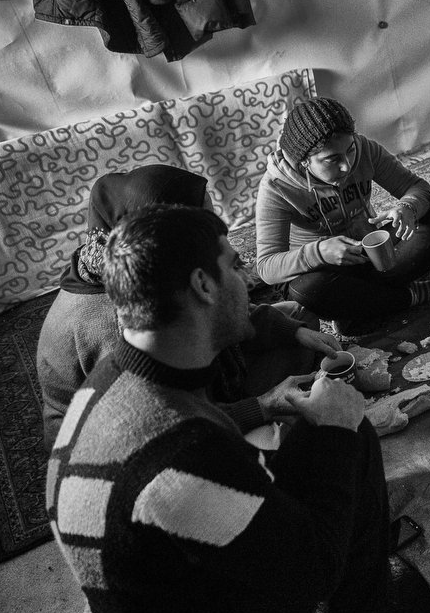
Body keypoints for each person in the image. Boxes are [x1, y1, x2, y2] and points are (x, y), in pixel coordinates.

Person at [47, 205, 430, 613]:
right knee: (347, 435)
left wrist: (273, 407)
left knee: (303, 444)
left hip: (156, 591)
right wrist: (337, 429)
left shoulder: (117, 377)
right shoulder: (185, 450)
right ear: (203, 286)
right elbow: (312, 572)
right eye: (234, 264)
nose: (247, 276)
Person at [36, 164, 337, 451]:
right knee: (274, 445)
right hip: (140, 438)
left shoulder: (153, 267)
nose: (215, 228)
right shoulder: (124, 324)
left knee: (296, 321)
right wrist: (263, 406)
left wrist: (289, 331)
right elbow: (164, 425)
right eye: (202, 219)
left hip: (180, 391)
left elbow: (224, 313)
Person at [257, 97, 430, 334]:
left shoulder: (364, 149)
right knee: (306, 291)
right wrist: (320, 252)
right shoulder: (276, 187)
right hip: (325, 268)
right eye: (332, 159)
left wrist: (408, 208)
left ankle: (358, 305)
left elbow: (417, 188)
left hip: (370, 248)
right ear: (304, 162)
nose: (347, 165)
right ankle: (410, 295)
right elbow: (266, 268)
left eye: (350, 150)